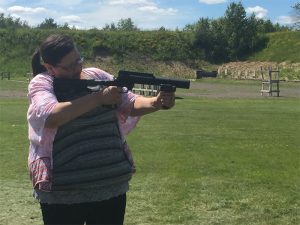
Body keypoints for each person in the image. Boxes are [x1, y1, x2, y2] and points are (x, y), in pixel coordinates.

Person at [27, 34, 175, 225]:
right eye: (69, 66)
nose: (77, 68)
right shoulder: (42, 82)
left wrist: (156, 102)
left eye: (78, 60)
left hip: (110, 184)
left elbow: (130, 102)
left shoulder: (97, 75)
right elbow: (50, 116)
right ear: (49, 67)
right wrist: (98, 98)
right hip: (65, 190)